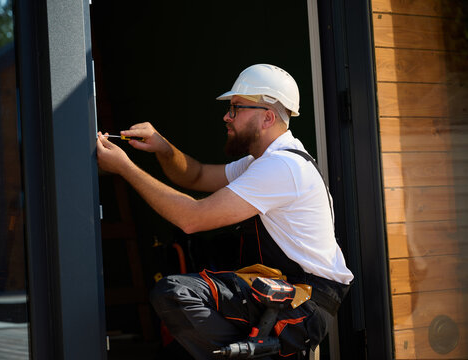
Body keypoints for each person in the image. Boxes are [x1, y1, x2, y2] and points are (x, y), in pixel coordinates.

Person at [96, 64, 353, 359]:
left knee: (176, 295)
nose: (226, 117)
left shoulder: (283, 167)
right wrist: (163, 148)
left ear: (267, 117)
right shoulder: (262, 161)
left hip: (300, 307)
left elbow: (191, 219)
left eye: (236, 108)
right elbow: (197, 176)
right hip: (278, 293)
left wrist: (124, 168)